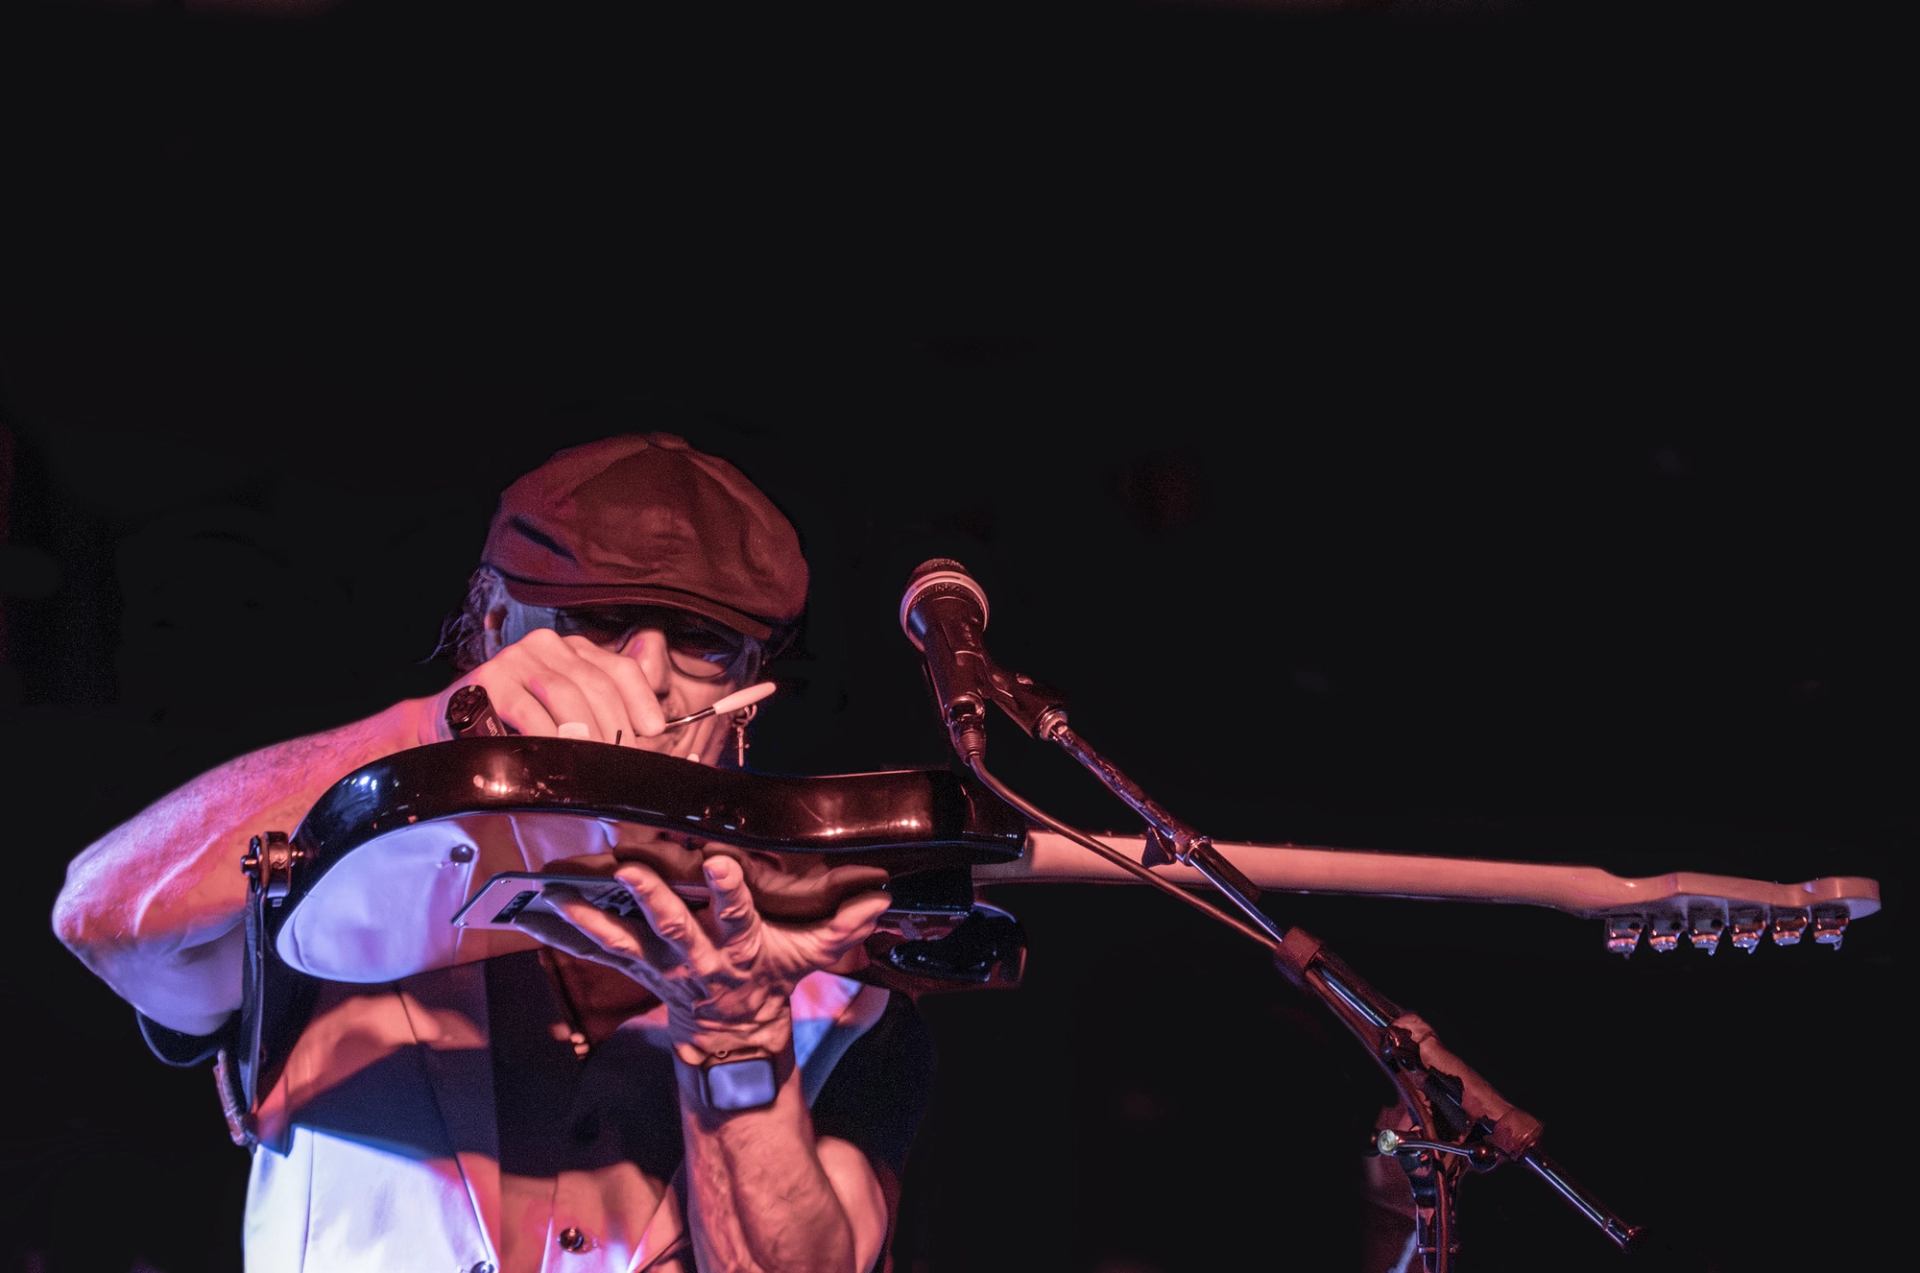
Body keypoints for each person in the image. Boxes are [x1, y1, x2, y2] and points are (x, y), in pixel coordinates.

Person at [51, 431, 934, 1273]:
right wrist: (434, 728)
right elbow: (100, 913)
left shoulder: (838, 992)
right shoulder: (343, 889)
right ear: (491, 624)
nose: (649, 673)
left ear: (747, 692)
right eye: (600, 620)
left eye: (702, 641)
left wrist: (737, 1034)